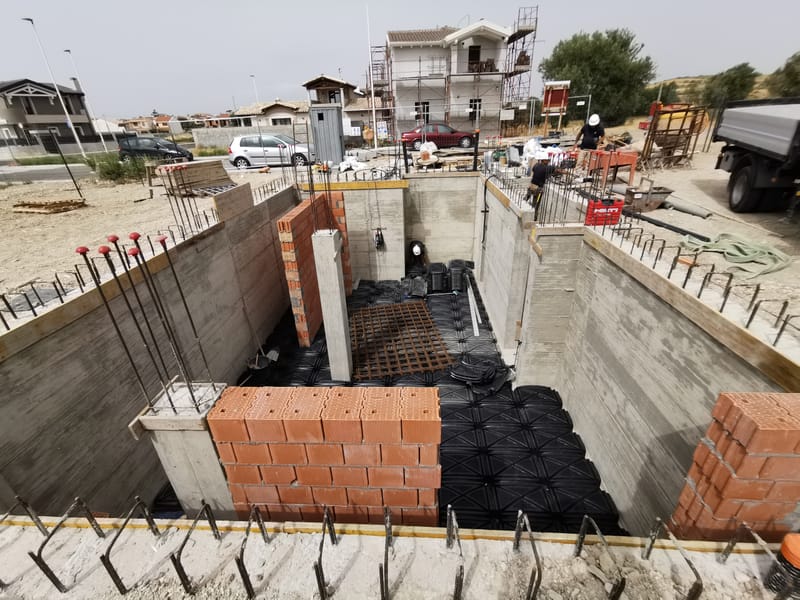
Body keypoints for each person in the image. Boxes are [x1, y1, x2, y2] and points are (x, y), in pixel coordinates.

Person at [524, 151, 559, 217]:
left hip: (531, 186)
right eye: (547, 160)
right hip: (538, 189)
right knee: (536, 204)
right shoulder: (547, 168)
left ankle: (524, 207)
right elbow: (557, 170)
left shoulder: (536, 165)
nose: (548, 161)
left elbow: (534, 170)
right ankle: (534, 216)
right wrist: (567, 173)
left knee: (526, 198)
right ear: (544, 160)